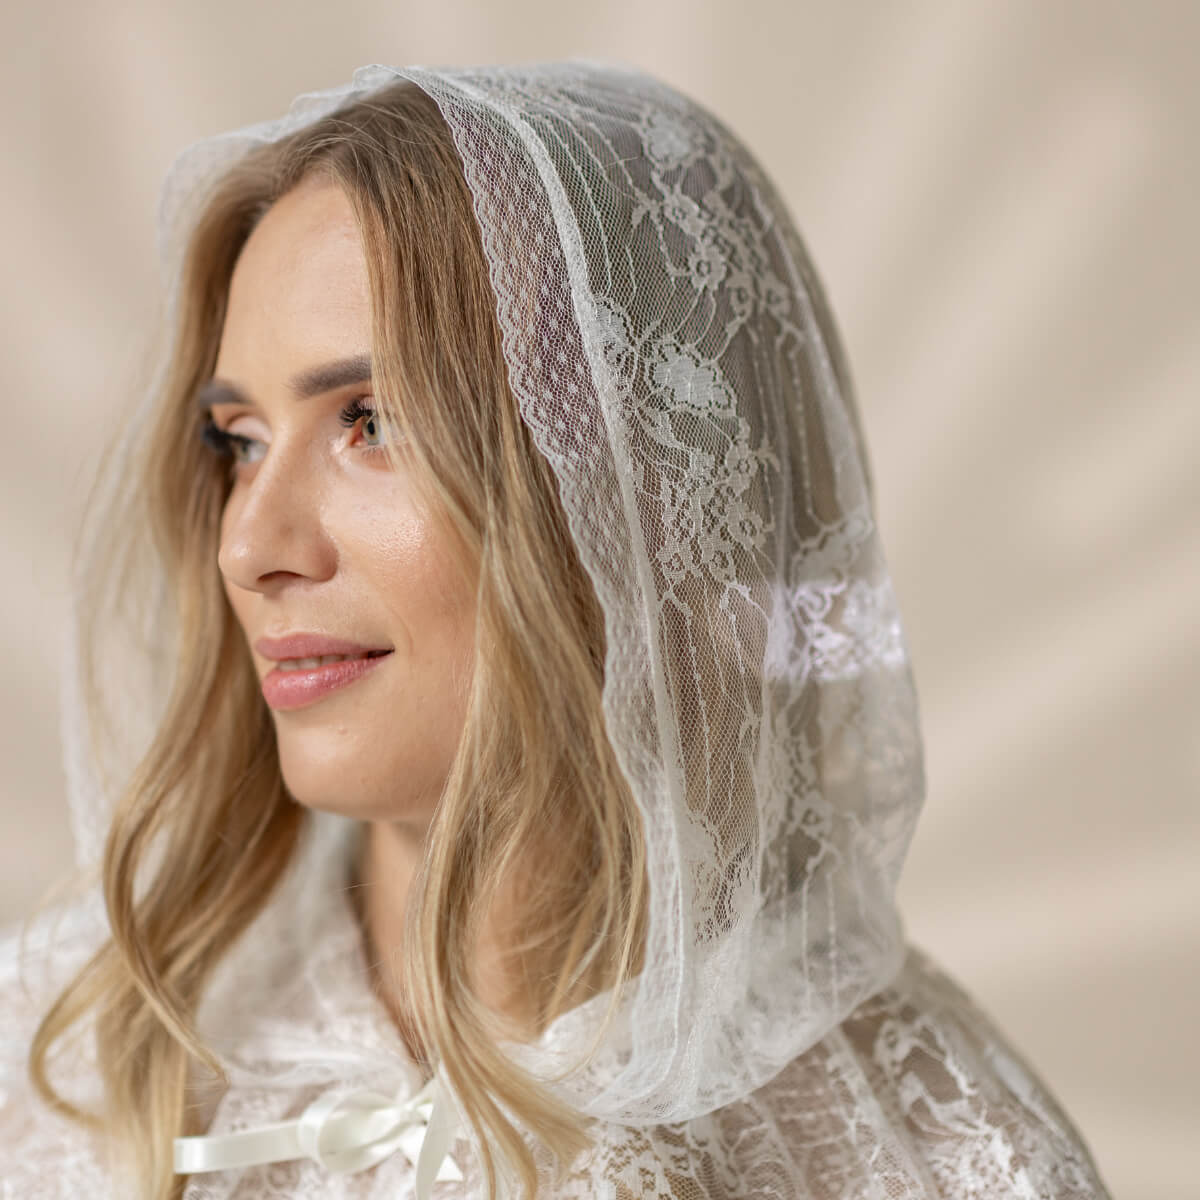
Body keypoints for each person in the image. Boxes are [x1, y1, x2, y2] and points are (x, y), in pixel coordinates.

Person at [0, 61, 1114, 1199]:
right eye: (240, 441)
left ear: (645, 489)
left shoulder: (944, 1158)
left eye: (371, 421)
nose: (249, 545)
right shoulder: (70, 1067)